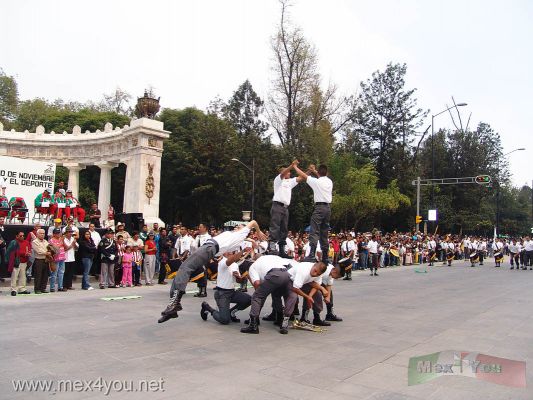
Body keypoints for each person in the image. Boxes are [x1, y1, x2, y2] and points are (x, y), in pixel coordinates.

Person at [158, 220, 267, 323]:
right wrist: (251, 240)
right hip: (210, 248)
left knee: (185, 268)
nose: (237, 227)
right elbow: (247, 239)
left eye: (240, 226)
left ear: (245, 231)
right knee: (185, 269)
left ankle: (174, 304)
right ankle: (174, 304)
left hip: (210, 248)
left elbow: (253, 222)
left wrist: (258, 232)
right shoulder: (235, 235)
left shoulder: (241, 234)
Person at [293, 162, 333, 264]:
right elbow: (321, 175)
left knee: (314, 231)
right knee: (324, 233)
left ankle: (311, 255)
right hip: (328, 208)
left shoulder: (316, 182)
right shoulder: (329, 181)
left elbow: (303, 175)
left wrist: (295, 167)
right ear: (326, 172)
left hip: (319, 208)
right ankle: (325, 257)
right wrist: (315, 171)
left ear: (318, 172)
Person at [200, 249, 252, 324]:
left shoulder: (235, 265)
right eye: (228, 251)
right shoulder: (222, 262)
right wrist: (243, 251)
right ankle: (207, 308)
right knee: (224, 320)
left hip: (232, 292)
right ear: (223, 253)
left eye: (232, 250)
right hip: (222, 294)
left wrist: (239, 278)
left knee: (249, 299)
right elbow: (232, 259)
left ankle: (231, 313)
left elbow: (238, 281)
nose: (231, 252)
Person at [267, 161, 303, 257]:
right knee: (275, 227)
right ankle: (272, 247)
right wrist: (291, 166)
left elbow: (301, 178)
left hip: (285, 207)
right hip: (277, 206)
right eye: (288, 172)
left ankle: (282, 249)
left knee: (284, 229)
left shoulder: (289, 182)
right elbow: (283, 173)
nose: (289, 173)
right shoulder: (278, 180)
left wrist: (309, 171)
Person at [6, 231, 31, 295]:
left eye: (23, 235)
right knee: (14, 276)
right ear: (16, 236)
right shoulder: (13, 242)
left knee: (23, 276)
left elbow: (29, 250)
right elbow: (10, 252)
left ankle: (22, 289)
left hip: (24, 261)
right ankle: (13, 290)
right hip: (16, 262)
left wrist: (29, 253)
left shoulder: (27, 242)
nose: (22, 237)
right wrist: (24, 253)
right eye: (20, 236)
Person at [32, 229, 51, 294]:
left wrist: (49, 252)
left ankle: (43, 288)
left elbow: (49, 248)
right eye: (41, 233)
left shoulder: (46, 241)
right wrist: (46, 252)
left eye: (43, 233)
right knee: (38, 275)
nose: (42, 234)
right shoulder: (35, 242)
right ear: (37, 234)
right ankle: (37, 289)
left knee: (45, 275)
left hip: (46, 259)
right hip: (38, 260)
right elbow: (38, 251)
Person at [48, 228, 67, 292]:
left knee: (61, 273)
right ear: (54, 234)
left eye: (59, 233)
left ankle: (60, 287)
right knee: (54, 273)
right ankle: (52, 287)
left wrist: (63, 241)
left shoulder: (61, 239)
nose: (59, 234)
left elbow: (65, 247)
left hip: (62, 258)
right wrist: (60, 243)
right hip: (56, 259)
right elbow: (55, 249)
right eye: (57, 233)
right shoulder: (51, 240)